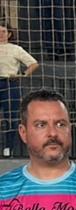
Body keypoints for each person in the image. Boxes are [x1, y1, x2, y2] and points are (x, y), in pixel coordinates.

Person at [0, 22, 36, 158]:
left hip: (10, 84)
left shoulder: (15, 49)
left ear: (9, 34)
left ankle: (8, 147)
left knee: (11, 117)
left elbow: (33, 63)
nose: (0, 34)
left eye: (3, 31)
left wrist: (23, 75)